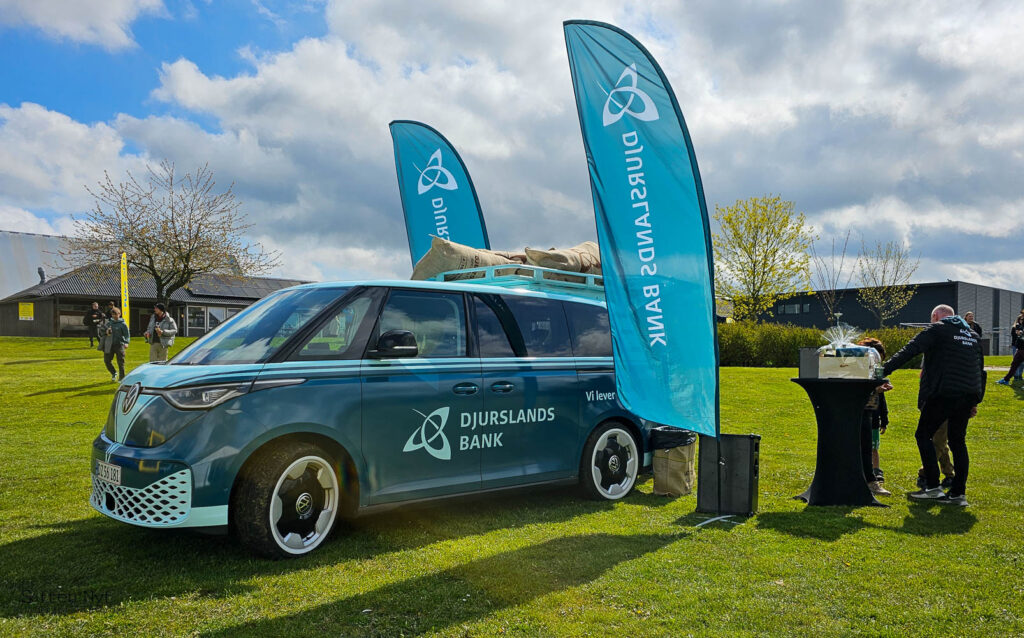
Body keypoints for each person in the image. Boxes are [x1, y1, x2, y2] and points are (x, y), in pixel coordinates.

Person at [882, 304, 985, 506]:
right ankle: (958, 494)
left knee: (923, 435)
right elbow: (979, 369)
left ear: (935, 316)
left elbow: (909, 350)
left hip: (944, 391)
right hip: (968, 393)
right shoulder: (973, 336)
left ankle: (932, 486)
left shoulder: (937, 329)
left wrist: (883, 370)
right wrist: (975, 399)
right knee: (958, 441)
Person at [857, 338, 890, 496]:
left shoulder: (872, 368)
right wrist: (875, 389)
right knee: (863, 447)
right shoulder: (858, 366)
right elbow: (858, 390)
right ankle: (869, 481)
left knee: (867, 447)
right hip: (859, 410)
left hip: (870, 412)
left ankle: (869, 478)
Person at [997, 309, 1024, 386]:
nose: (1022, 317)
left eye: (1023, 315)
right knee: (1014, 364)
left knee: (1015, 364)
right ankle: (1006, 379)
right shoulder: (1020, 325)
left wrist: (1021, 333)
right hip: (1020, 348)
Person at [103, 307, 130, 382]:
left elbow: (127, 335)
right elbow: (102, 332)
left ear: (119, 314)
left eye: (117, 314)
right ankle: (114, 373)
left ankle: (122, 378)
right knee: (107, 360)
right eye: (113, 315)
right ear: (111, 315)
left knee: (120, 362)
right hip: (109, 345)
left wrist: (126, 343)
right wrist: (106, 332)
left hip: (119, 345)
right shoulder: (108, 323)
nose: (115, 316)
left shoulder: (123, 324)